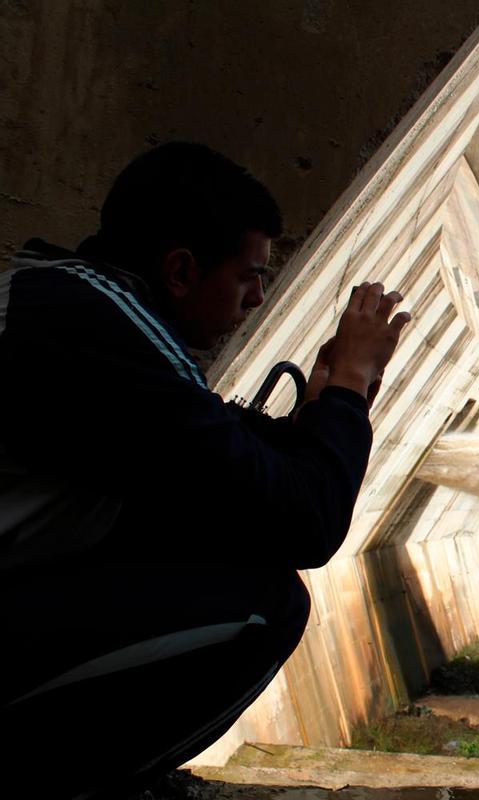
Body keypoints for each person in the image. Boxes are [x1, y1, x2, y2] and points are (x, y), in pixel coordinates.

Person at [0, 142, 411, 798]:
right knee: (263, 605)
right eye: (248, 276)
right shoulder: (99, 329)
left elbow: (217, 440)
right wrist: (348, 384)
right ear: (182, 270)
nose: (255, 299)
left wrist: (331, 405)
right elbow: (306, 523)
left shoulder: (80, 305)